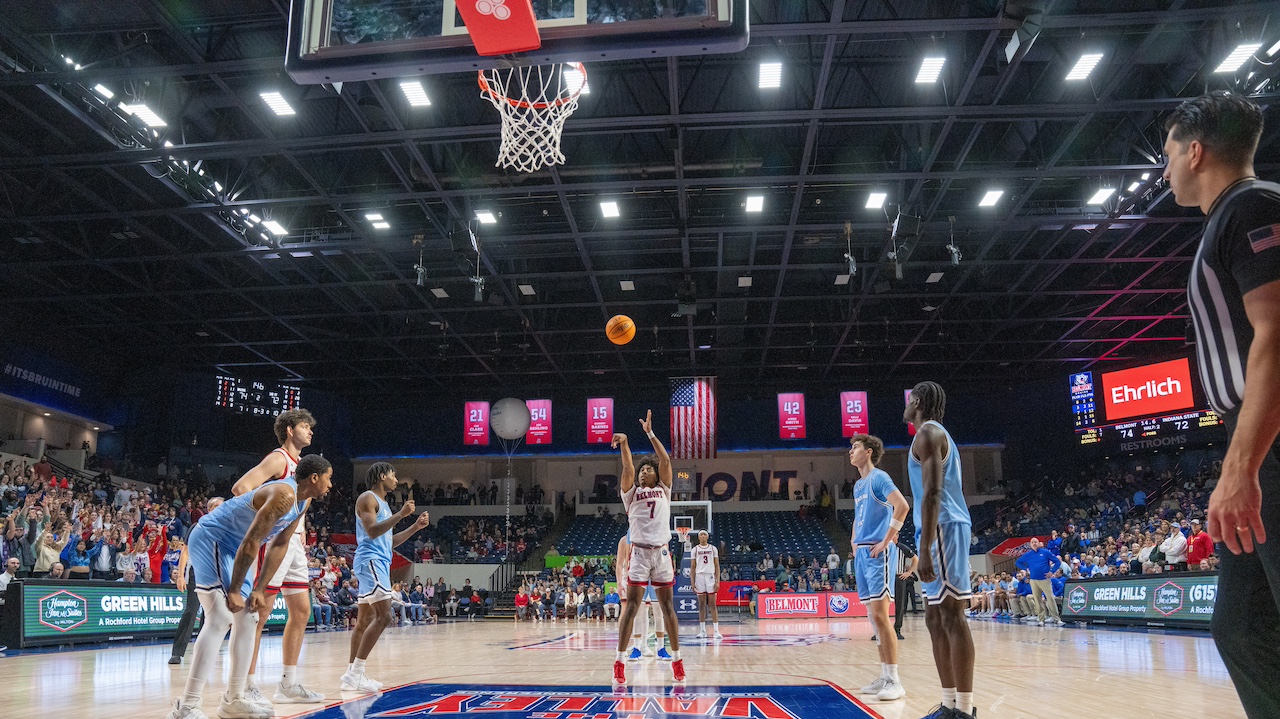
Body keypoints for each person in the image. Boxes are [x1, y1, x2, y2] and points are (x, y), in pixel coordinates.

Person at [1165, 92, 1280, 719]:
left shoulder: (1253, 207)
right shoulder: (1231, 216)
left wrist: (1243, 468)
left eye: (1168, 154)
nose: (1165, 170)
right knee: (1241, 628)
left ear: (1196, 150)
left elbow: (1278, 336)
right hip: (1257, 438)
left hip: (1271, 441)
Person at [166, 454, 332, 719]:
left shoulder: (303, 500)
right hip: (212, 538)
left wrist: (260, 589)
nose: (331, 484)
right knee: (219, 618)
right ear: (314, 477)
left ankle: (233, 699)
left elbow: (279, 544)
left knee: (249, 618)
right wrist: (234, 590)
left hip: (235, 547)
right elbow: (252, 542)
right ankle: (186, 707)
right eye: (329, 477)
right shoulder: (284, 494)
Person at [231, 409, 323, 706]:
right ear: (288, 429)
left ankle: (287, 683)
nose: (310, 431)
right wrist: (265, 522)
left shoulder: (304, 466)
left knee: (301, 611)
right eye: (305, 426)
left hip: (294, 544)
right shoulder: (279, 458)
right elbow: (241, 488)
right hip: (274, 542)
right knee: (259, 616)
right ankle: (246, 685)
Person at [906, 381, 976, 719]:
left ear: (917, 401)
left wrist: (926, 546)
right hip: (936, 527)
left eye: (908, 401)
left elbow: (933, 492)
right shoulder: (927, 435)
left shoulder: (929, 434)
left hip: (944, 526)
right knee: (935, 618)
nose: (905, 406)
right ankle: (948, 705)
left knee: (952, 616)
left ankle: (963, 710)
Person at [342, 462, 431, 693]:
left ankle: (350, 674)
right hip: (371, 561)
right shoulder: (367, 498)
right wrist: (402, 514)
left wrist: (414, 527)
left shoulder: (383, 506)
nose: (396, 479)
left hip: (378, 561)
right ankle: (356, 673)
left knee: (363, 622)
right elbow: (372, 531)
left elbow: (388, 542)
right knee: (384, 616)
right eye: (393, 475)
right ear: (382, 476)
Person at [611, 411, 684, 685]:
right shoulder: (631, 493)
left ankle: (677, 660)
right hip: (639, 553)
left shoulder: (665, 489)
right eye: (642, 470)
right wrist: (626, 443)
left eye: (648, 470)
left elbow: (665, 459)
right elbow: (627, 468)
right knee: (631, 608)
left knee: (667, 609)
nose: (643, 472)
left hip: (662, 553)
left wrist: (650, 434)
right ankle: (619, 661)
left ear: (656, 475)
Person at [848, 433, 911, 702]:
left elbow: (902, 506)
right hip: (862, 552)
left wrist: (887, 539)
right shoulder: (858, 485)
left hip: (878, 551)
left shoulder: (880, 478)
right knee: (873, 619)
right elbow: (857, 518)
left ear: (869, 452)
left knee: (882, 617)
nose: (851, 451)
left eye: (856, 447)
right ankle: (885, 675)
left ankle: (895, 680)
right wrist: (853, 543)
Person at [170, 497, 224, 665]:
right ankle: (177, 653)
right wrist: (180, 575)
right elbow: (185, 552)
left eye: (221, 507)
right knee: (191, 611)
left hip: (218, 573)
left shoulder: (227, 528)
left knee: (211, 614)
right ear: (209, 509)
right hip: (198, 571)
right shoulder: (197, 526)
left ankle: (204, 652)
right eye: (215, 506)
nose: (218, 509)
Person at [1015, 538, 1063, 626]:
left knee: (1050, 598)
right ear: (1030, 544)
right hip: (1033, 580)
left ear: (1039, 543)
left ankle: (1057, 619)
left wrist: (1052, 572)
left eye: (1035, 542)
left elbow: (1057, 562)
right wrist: (1026, 568)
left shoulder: (1045, 552)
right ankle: (1041, 619)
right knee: (1037, 600)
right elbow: (1018, 562)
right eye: (1032, 542)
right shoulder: (1028, 554)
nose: (1034, 543)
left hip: (1045, 579)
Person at [691, 530, 722, 641]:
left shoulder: (713, 549)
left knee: (713, 604)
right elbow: (693, 567)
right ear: (698, 537)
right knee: (701, 605)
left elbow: (717, 565)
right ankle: (702, 630)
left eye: (705, 534)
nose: (703, 536)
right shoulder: (695, 550)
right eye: (701, 534)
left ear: (707, 537)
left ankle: (716, 630)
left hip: (710, 576)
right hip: (699, 576)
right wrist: (692, 581)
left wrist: (718, 581)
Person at [894, 543, 919, 637]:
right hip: (885, 578)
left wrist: (909, 572)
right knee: (882, 605)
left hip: (899, 577)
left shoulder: (902, 547)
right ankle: (881, 630)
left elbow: (915, 558)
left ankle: (897, 629)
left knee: (900, 604)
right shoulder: (883, 546)